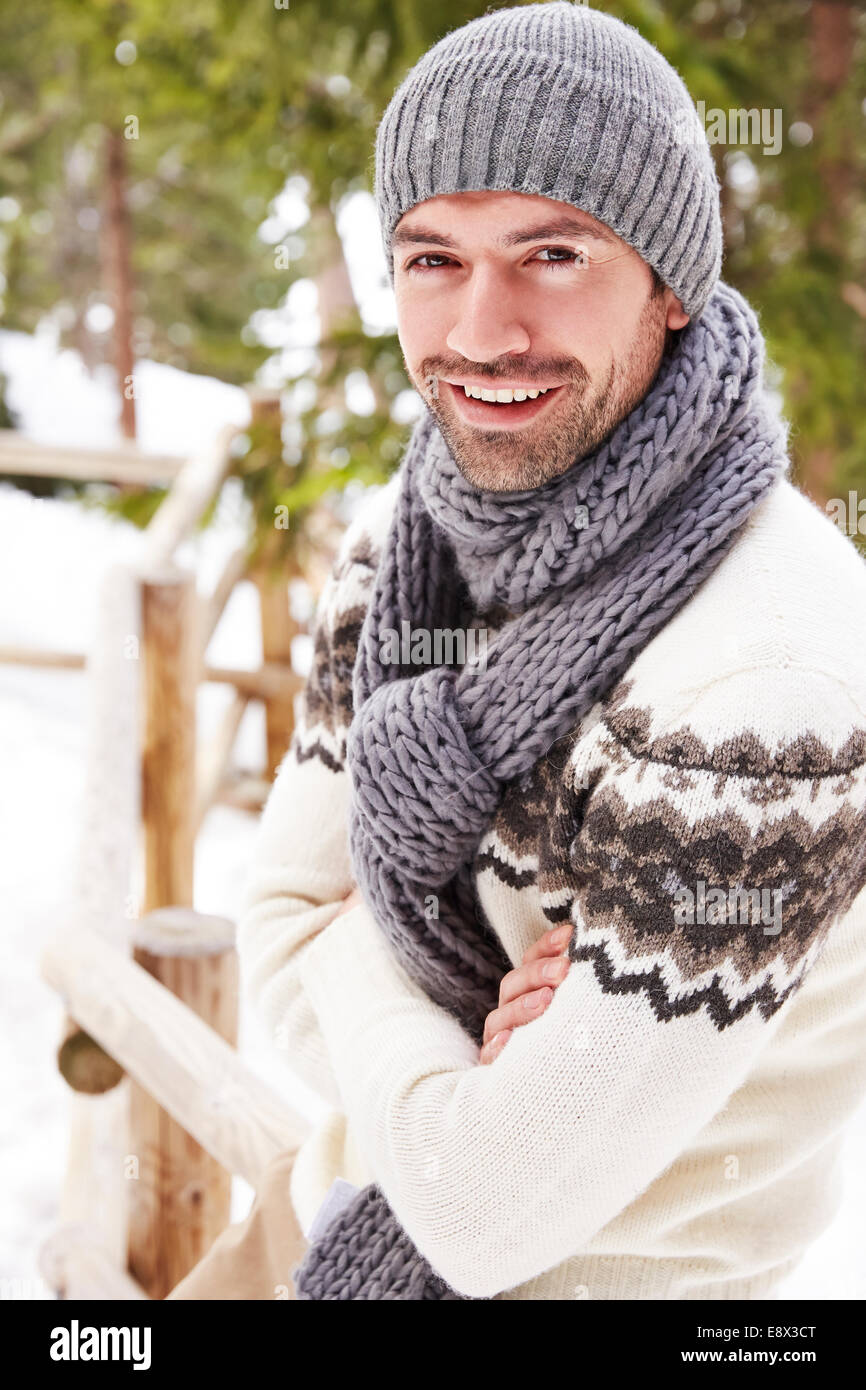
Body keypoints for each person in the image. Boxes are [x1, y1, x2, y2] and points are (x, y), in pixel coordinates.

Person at [168, 1, 866, 1301]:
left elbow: (480, 1212)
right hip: (332, 1217)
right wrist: (451, 1071)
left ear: (668, 282)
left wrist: (351, 947)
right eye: (431, 258)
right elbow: (269, 930)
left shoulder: (775, 686)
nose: (482, 332)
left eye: (550, 252)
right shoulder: (410, 533)